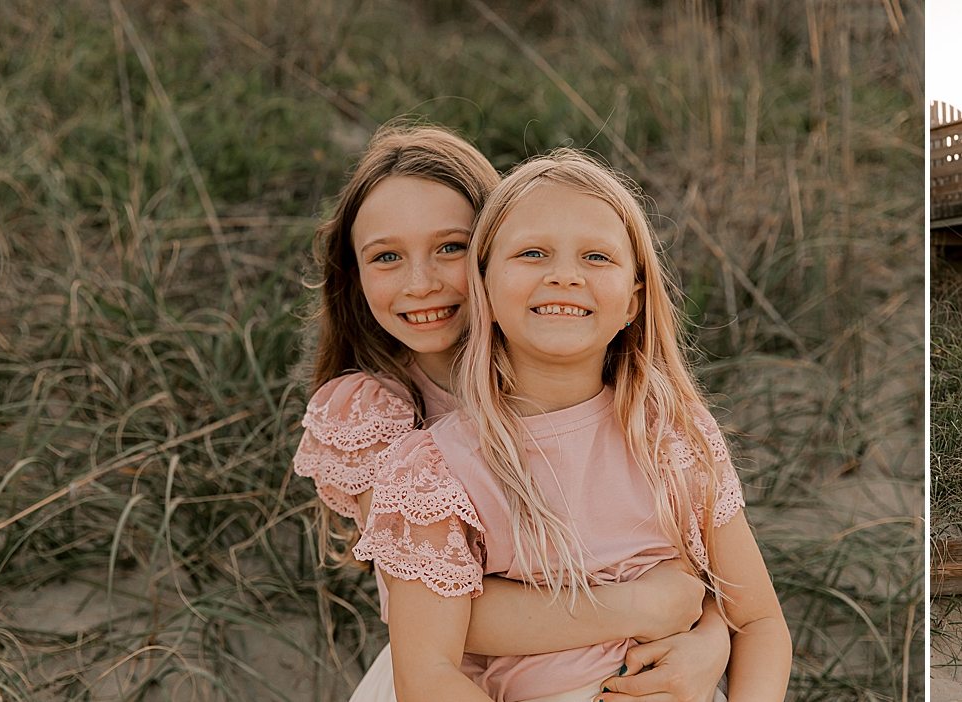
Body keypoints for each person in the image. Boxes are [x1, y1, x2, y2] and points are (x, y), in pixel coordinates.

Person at [295, 125, 732, 702]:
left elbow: (689, 552)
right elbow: (446, 617)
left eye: (450, 247)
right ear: (353, 276)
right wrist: (641, 607)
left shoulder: (586, 378)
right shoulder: (376, 416)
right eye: (386, 257)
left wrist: (713, 639)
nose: (421, 284)